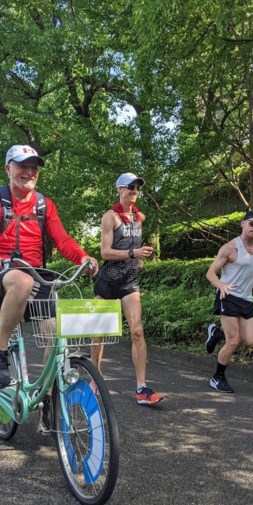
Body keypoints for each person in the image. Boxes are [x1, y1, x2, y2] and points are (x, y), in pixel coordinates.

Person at [0, 145, 99, 391]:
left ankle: (49, 396)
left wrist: (83, 257)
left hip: (36, 272)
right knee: (23, 282)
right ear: (8, 168)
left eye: (34, 168)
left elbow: (62, 239)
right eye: (23, 166)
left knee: (55, 334)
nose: (29, 172)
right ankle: (0, 351)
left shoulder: (44, 205)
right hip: (1, 271)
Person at [89, 173, 165, 406]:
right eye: (130, 187)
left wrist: (138, 257)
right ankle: (95, 378)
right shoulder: (110, 217)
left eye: (138, 188)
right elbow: (105, 252)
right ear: (119, 190)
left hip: (130, 281)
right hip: (108, 281)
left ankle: (141, 388)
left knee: (138, 331)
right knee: (99, 332)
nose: (135, 191)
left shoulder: (139, 217)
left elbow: (132, 245)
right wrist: (133, 253)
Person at [203, 211, 253, 393]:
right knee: (233, 341)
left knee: (250, 341)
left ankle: (217, 334)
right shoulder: (230, 248)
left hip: (246, 300)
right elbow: (210, 273)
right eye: (252, 224)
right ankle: (217, 377)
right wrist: (221, 285)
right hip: (228, 297)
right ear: (243, 224)